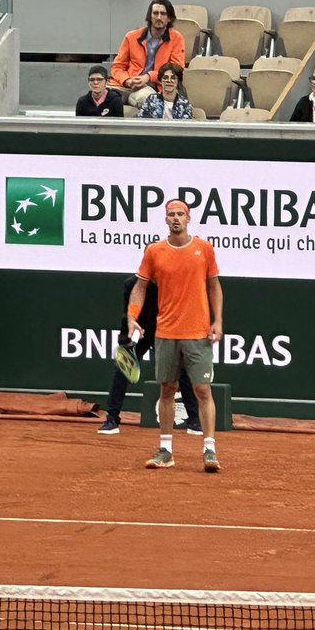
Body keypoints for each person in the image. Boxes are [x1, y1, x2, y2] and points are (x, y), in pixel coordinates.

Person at [127, 198, 223, 473]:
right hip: (166, 332)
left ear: (188, 218)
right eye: (171, 215)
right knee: (167, 389)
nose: (176, 218)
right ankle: (166, 450)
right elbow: (140, 287)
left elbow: (214, 286)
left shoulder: (204, 249)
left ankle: (209, 450)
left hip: (198, 332)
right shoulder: (154, 251)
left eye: (181, 214)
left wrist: (218, 321)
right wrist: (133, 316)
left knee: (202, 390)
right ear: (166, 220)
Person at [98, 274, 201, 435]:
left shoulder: (171, 283)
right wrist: (125, 339)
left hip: (166, 333)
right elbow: (129, 313)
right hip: (142, 333)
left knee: (181, 373)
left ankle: (194, 421)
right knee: (122, 370)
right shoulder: (131, 284)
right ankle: (112, 419)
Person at [110, 0, 186, 105]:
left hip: (156, 87)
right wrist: (127, 80)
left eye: (163, 14)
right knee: (98, 95)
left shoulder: (177, 38)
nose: (159, 17)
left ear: (169, 18)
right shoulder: (131, 36)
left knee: (145, 97)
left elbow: (176, 69)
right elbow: (117, 67)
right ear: (149, 16)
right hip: (127, 85)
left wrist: (148, 77)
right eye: (155, 13)